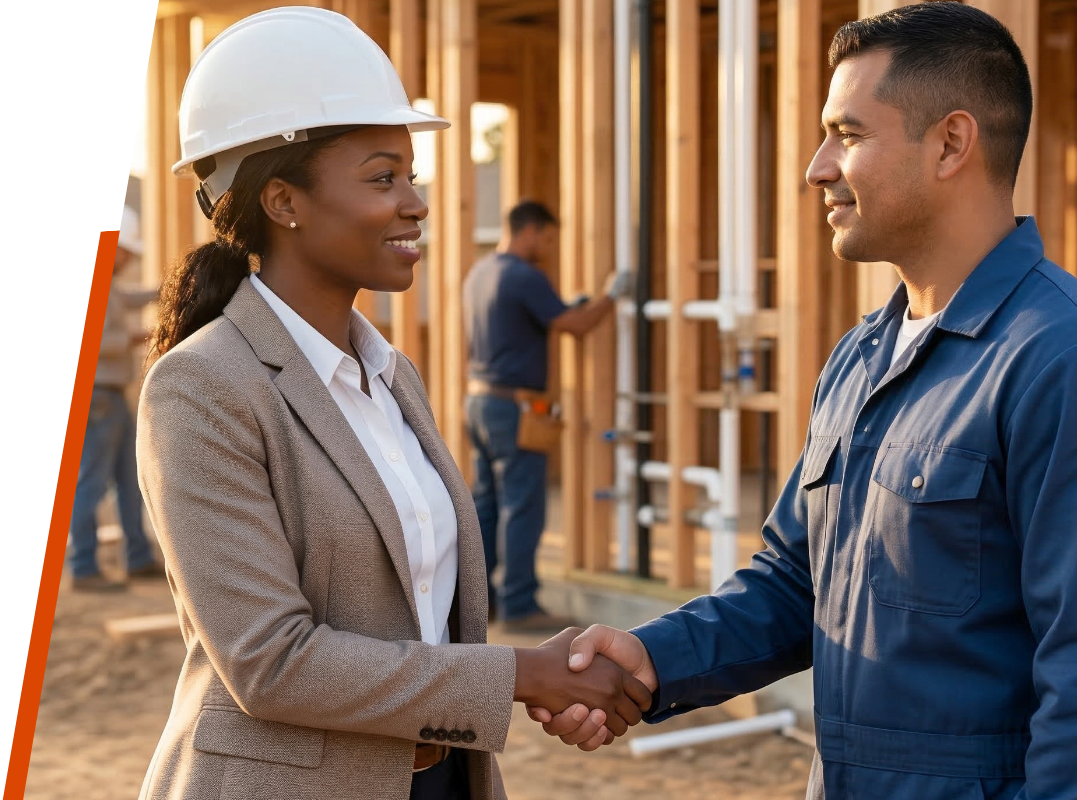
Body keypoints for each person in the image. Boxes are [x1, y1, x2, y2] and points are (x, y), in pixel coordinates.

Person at [529, 4, 1077, 799]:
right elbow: (796, 582)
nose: (817, 167)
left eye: (847, 135)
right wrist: (651, 660)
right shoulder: (860, 358)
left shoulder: (1051, 356)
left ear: (950, 143)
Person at [134, 9, 650, 800]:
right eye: (383, 177)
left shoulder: (391, 375)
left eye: (412, 175)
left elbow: (421, 614)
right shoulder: (202, 387)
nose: (416, 203)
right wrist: (522, 674)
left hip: (437, 779)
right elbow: (270, 662)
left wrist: (549, 673)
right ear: (283, 201)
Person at [463, 200, 632, 632]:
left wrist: (569, 306)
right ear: (532, 231)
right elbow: (575, 325)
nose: (550, 248)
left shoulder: (481, 273)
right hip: (514, 409)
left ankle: (482, 605)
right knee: (523, 507)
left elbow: (539, 320)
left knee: (487, 506)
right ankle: (520, 606)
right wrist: (612, 295)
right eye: (549, 239)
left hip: (479, 404)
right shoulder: (524, 275)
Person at [68, 204, 163, 592]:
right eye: (127, 250)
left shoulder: (109, 286)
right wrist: (142, 337)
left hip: (110, 396)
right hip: (98, 395)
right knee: (92, 481)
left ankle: (138, 558)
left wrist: (171, 288)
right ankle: (84, 567)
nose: (129, 259)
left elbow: (133, 298)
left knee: (128, 477)